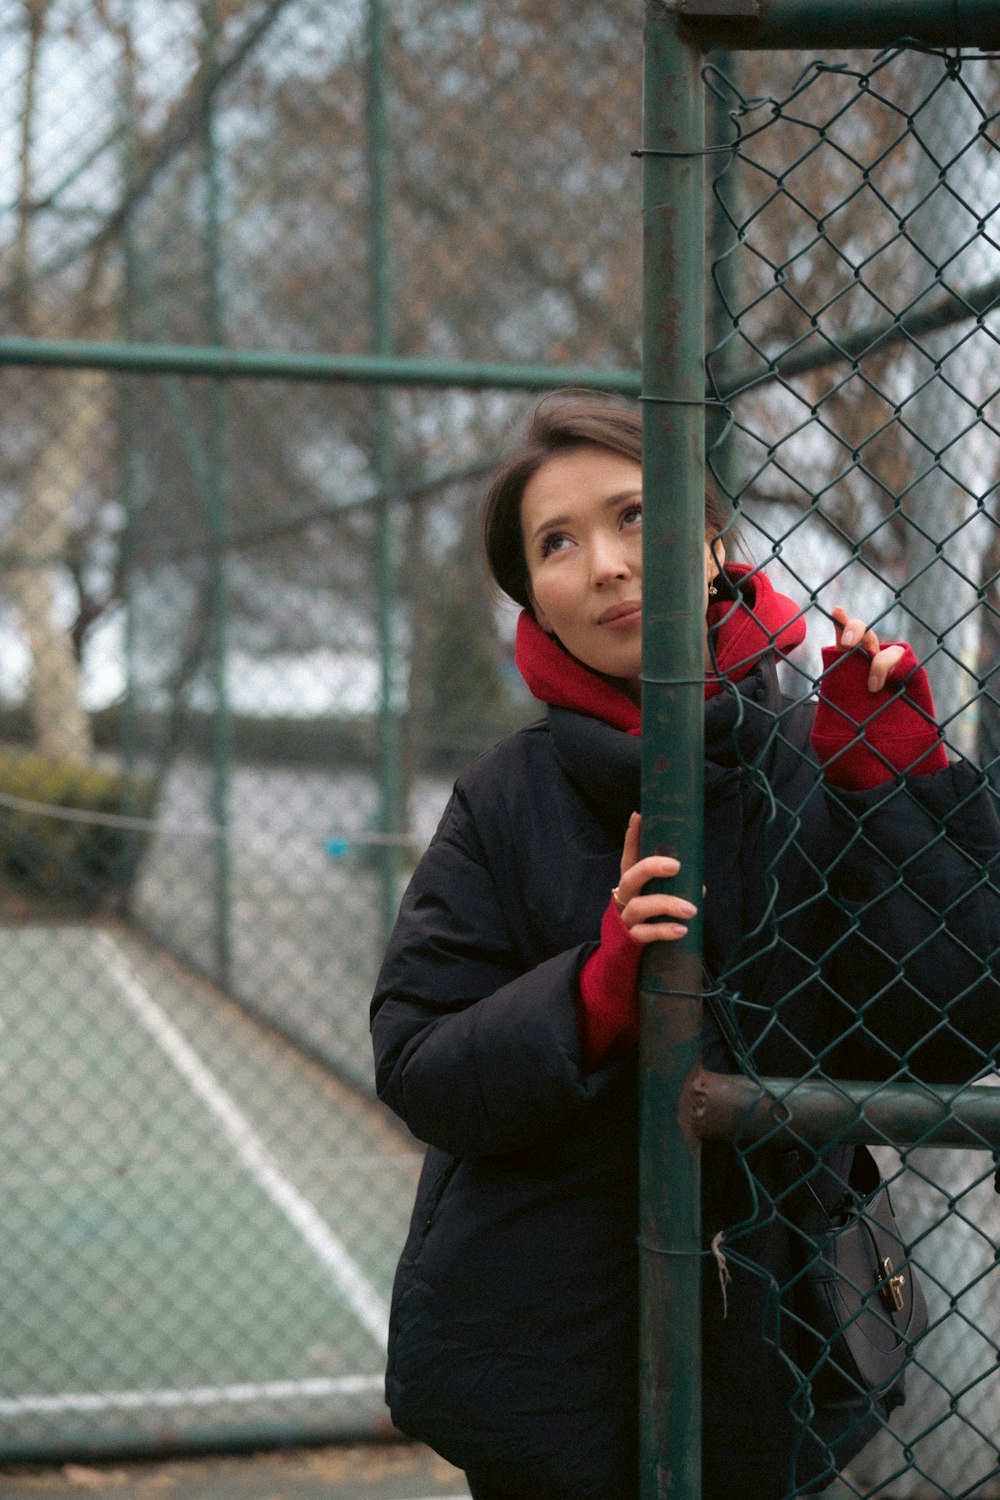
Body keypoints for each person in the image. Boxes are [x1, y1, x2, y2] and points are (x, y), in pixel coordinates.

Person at [370, 394, 1000, 1500]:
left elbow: (940, 1031)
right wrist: (599, 992)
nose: (607, 564)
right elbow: (420, 1062)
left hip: (771, 1328)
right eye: (556, 545)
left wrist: (889, 782)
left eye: (633, 517)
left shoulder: (809, 763)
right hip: (548, 1343)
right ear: (534, 603)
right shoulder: (505, 797)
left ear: (713, 547)